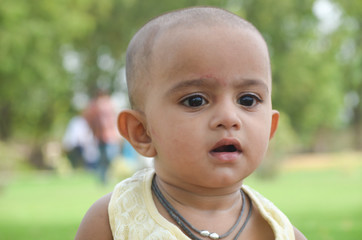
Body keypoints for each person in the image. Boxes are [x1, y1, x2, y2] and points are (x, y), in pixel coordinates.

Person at [75, 7, 307, 240]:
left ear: (270, 127)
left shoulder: (279, 232)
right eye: (195, 100)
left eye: (248, 99)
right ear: (141, 132)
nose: (228, 117)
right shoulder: (114, 220)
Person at [84, 91, 121, 183]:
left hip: (109, 136)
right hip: (101, 137)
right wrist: (94, 131)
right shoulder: (96, 106)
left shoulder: (107, 104)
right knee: (104, 158)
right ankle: (103, 178)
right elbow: (89, 118)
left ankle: (105, 176)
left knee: (110, 158)